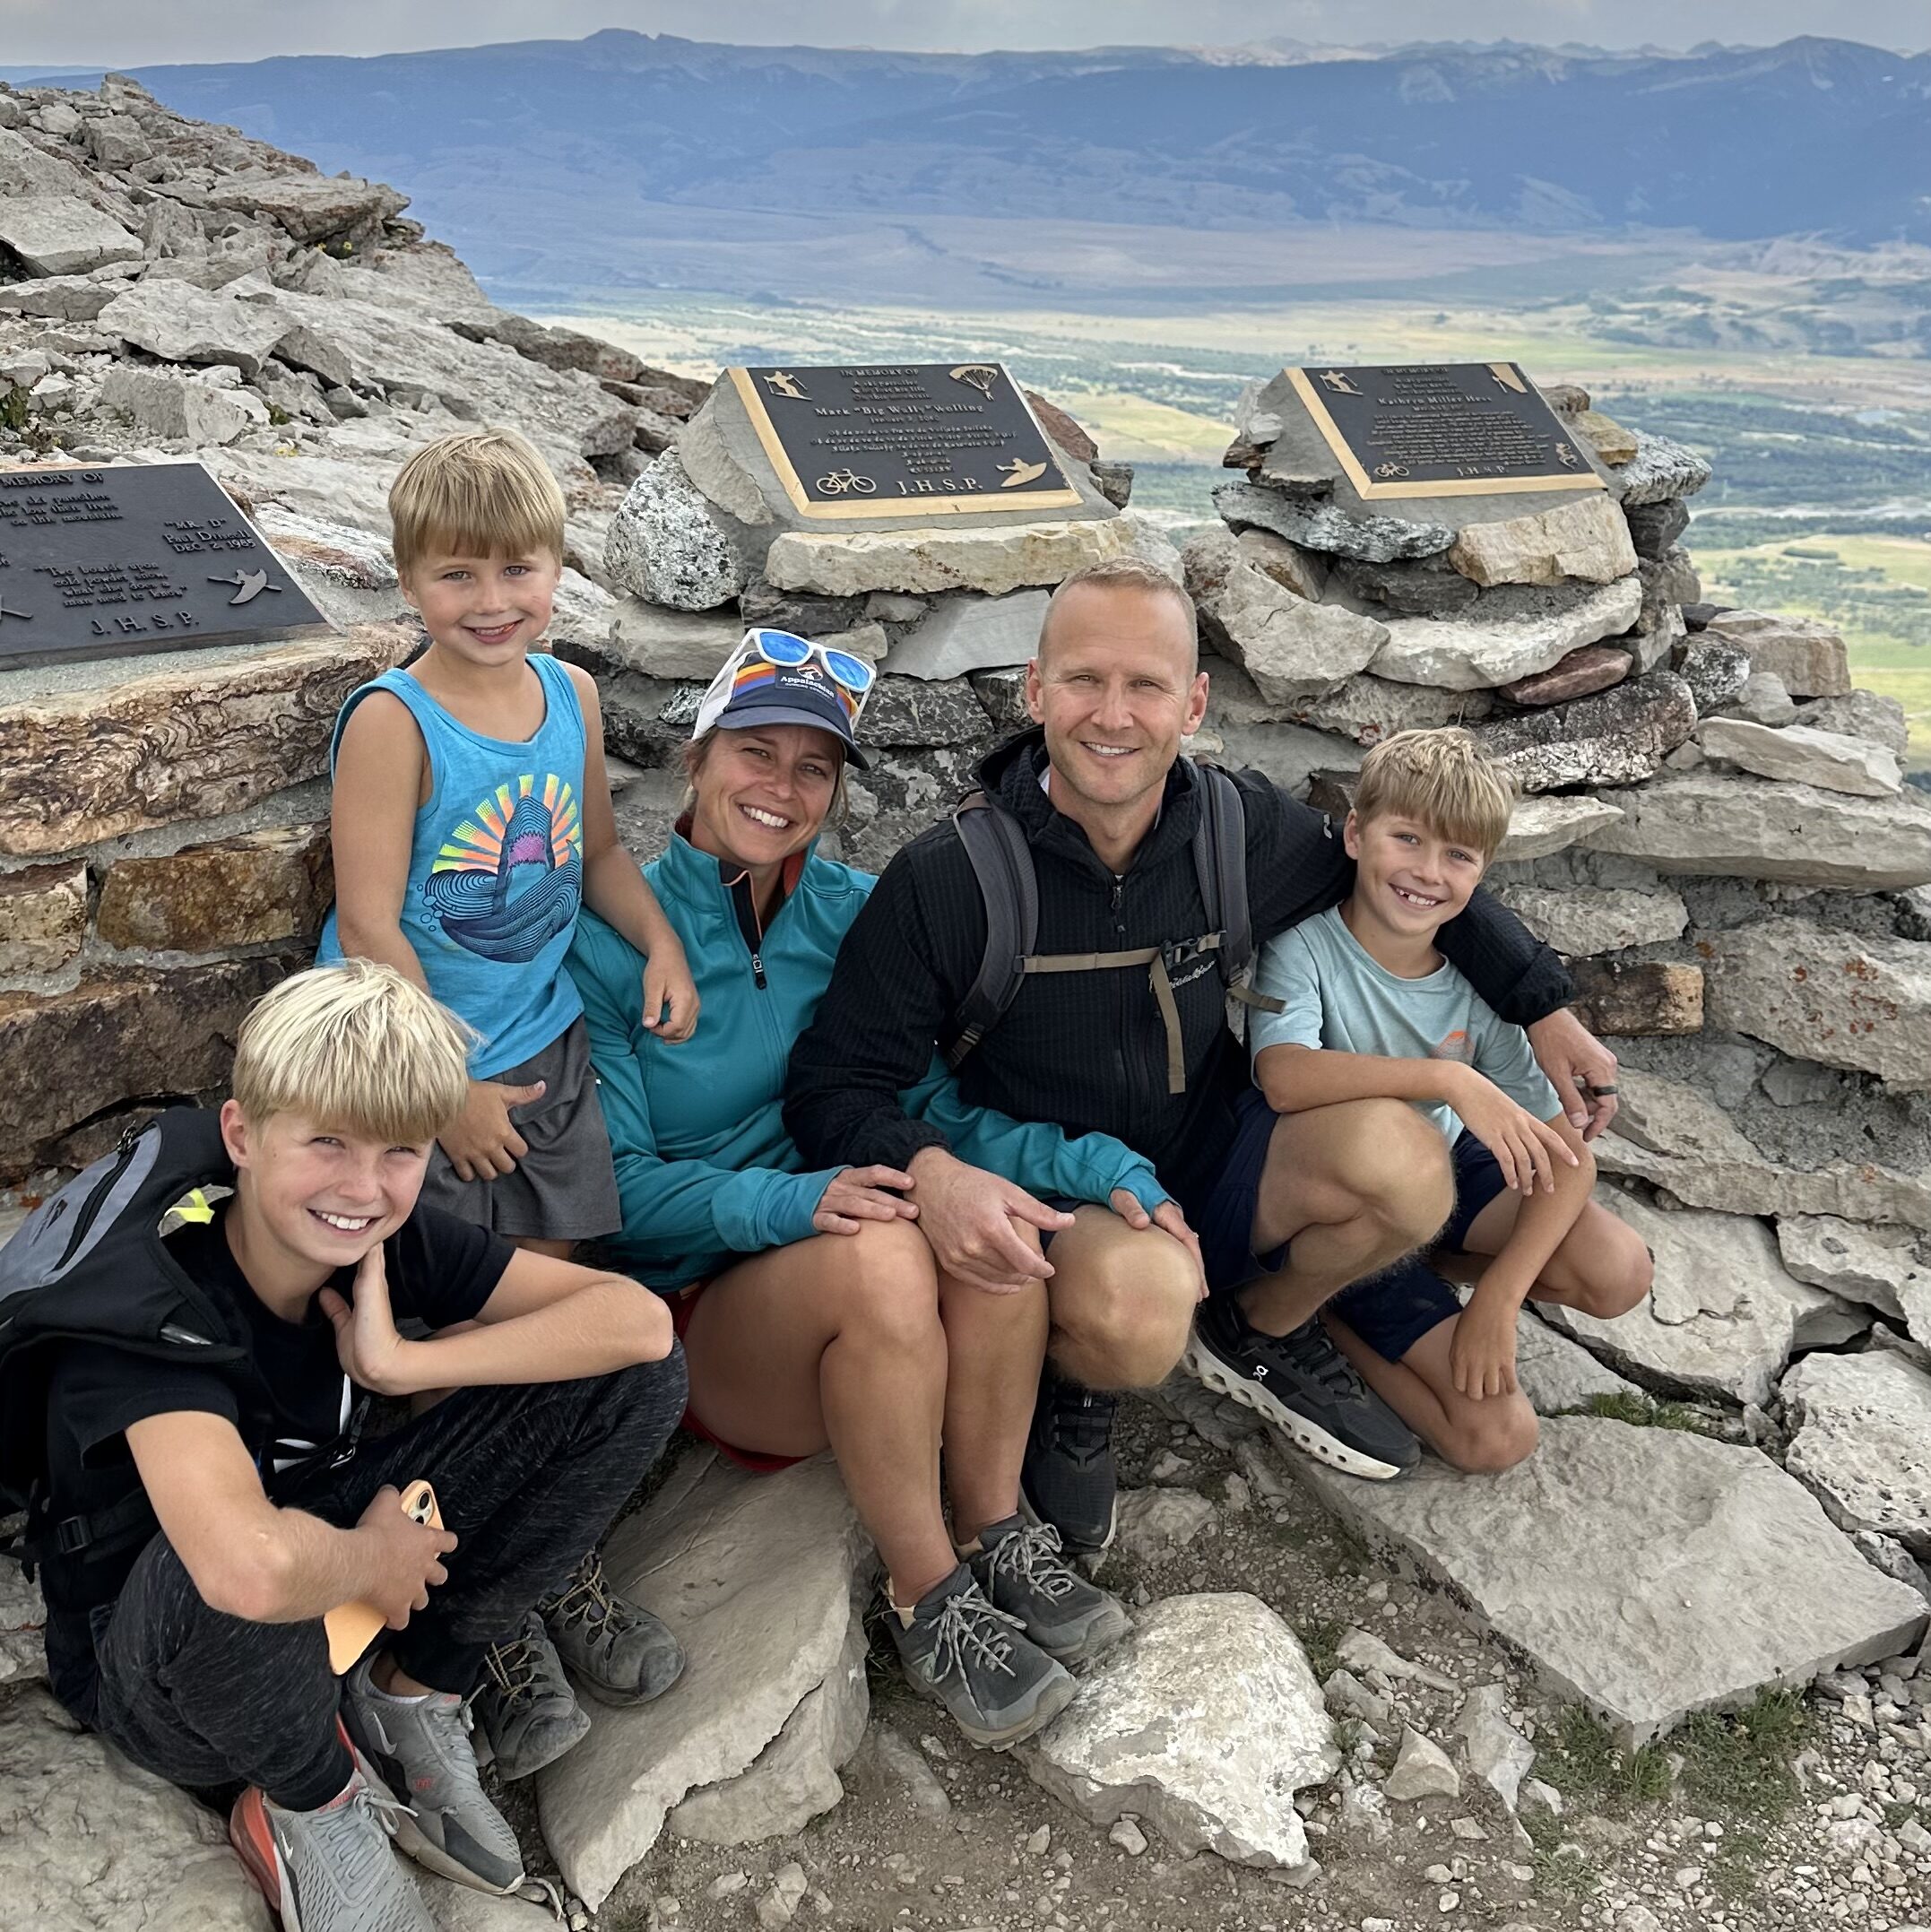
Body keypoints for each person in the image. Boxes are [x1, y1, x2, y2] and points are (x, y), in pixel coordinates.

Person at [785, 559, 1621, 1537]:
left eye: (1146, 686)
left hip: (1220, 1153)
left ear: (1193, 704)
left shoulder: (1233, 829)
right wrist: (932, 1173)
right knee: (1143, 1313)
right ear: (1035, 690)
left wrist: (1546, 1004)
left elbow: (1405, 886)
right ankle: (1079, 1374)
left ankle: (1264, 1318)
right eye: (1087, 679)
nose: (1114, 714)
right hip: (1074, 1195)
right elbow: (833, 1088)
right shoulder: (950, 879)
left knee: (1407, 1162)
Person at [567, 629, 1186, 1749]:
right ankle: (926, 1594)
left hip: (861, 1280)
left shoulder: (853, 912)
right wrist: (792, 1204)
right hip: (706, 1317)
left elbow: (935, 1112)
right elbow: (613, 1189)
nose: (782, 788)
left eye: (814, 769)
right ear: (697, 759)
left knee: (979, 1219)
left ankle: (999, 1529)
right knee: (894, 1246)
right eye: (756, 752)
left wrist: (1091, 1164)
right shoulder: (608, 943)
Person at [30, 962, 685, 1932]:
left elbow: (638, 1327)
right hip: (167, 1658)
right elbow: (245, 1571)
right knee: (230, 1564)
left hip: (324, 1564)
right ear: (244, 1137)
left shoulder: (379, 1233)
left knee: (636, 1381)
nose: (363, 1188)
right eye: (326, 1142)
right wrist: (380, 1559)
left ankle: (412, 1690)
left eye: (400, 1152)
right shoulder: (151, 1311)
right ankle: (313, 1798)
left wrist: (399, 1362)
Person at [1187, 729, 1652, 1472]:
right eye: (1407, 838)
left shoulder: (1475, 980)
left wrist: (1499, 1300)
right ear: (1355, 834)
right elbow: (1284, 1073)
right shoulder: (1304, 944)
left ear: (1481, 873)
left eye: (1458, 855)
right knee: (1500, 1434)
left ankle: (1366, 1287)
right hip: (1329, 1186)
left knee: (1615, 1272)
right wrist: (1448, 1078)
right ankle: (1292, 1305)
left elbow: (1567, 1151)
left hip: (1433, 1183)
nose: (1427, 871)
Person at [321, 424, 698, 1261]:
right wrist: (442, 1087)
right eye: (457, 574)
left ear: (558, 569)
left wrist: (660, 942)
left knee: (540, 1282)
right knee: (440, 1288)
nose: (492, 602)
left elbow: (595, 854)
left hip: (541, 1038)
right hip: (406, 1053)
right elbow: (368, 927)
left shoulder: (573, 695)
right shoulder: (395, 722)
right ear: (409, 581)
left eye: (517, 570)